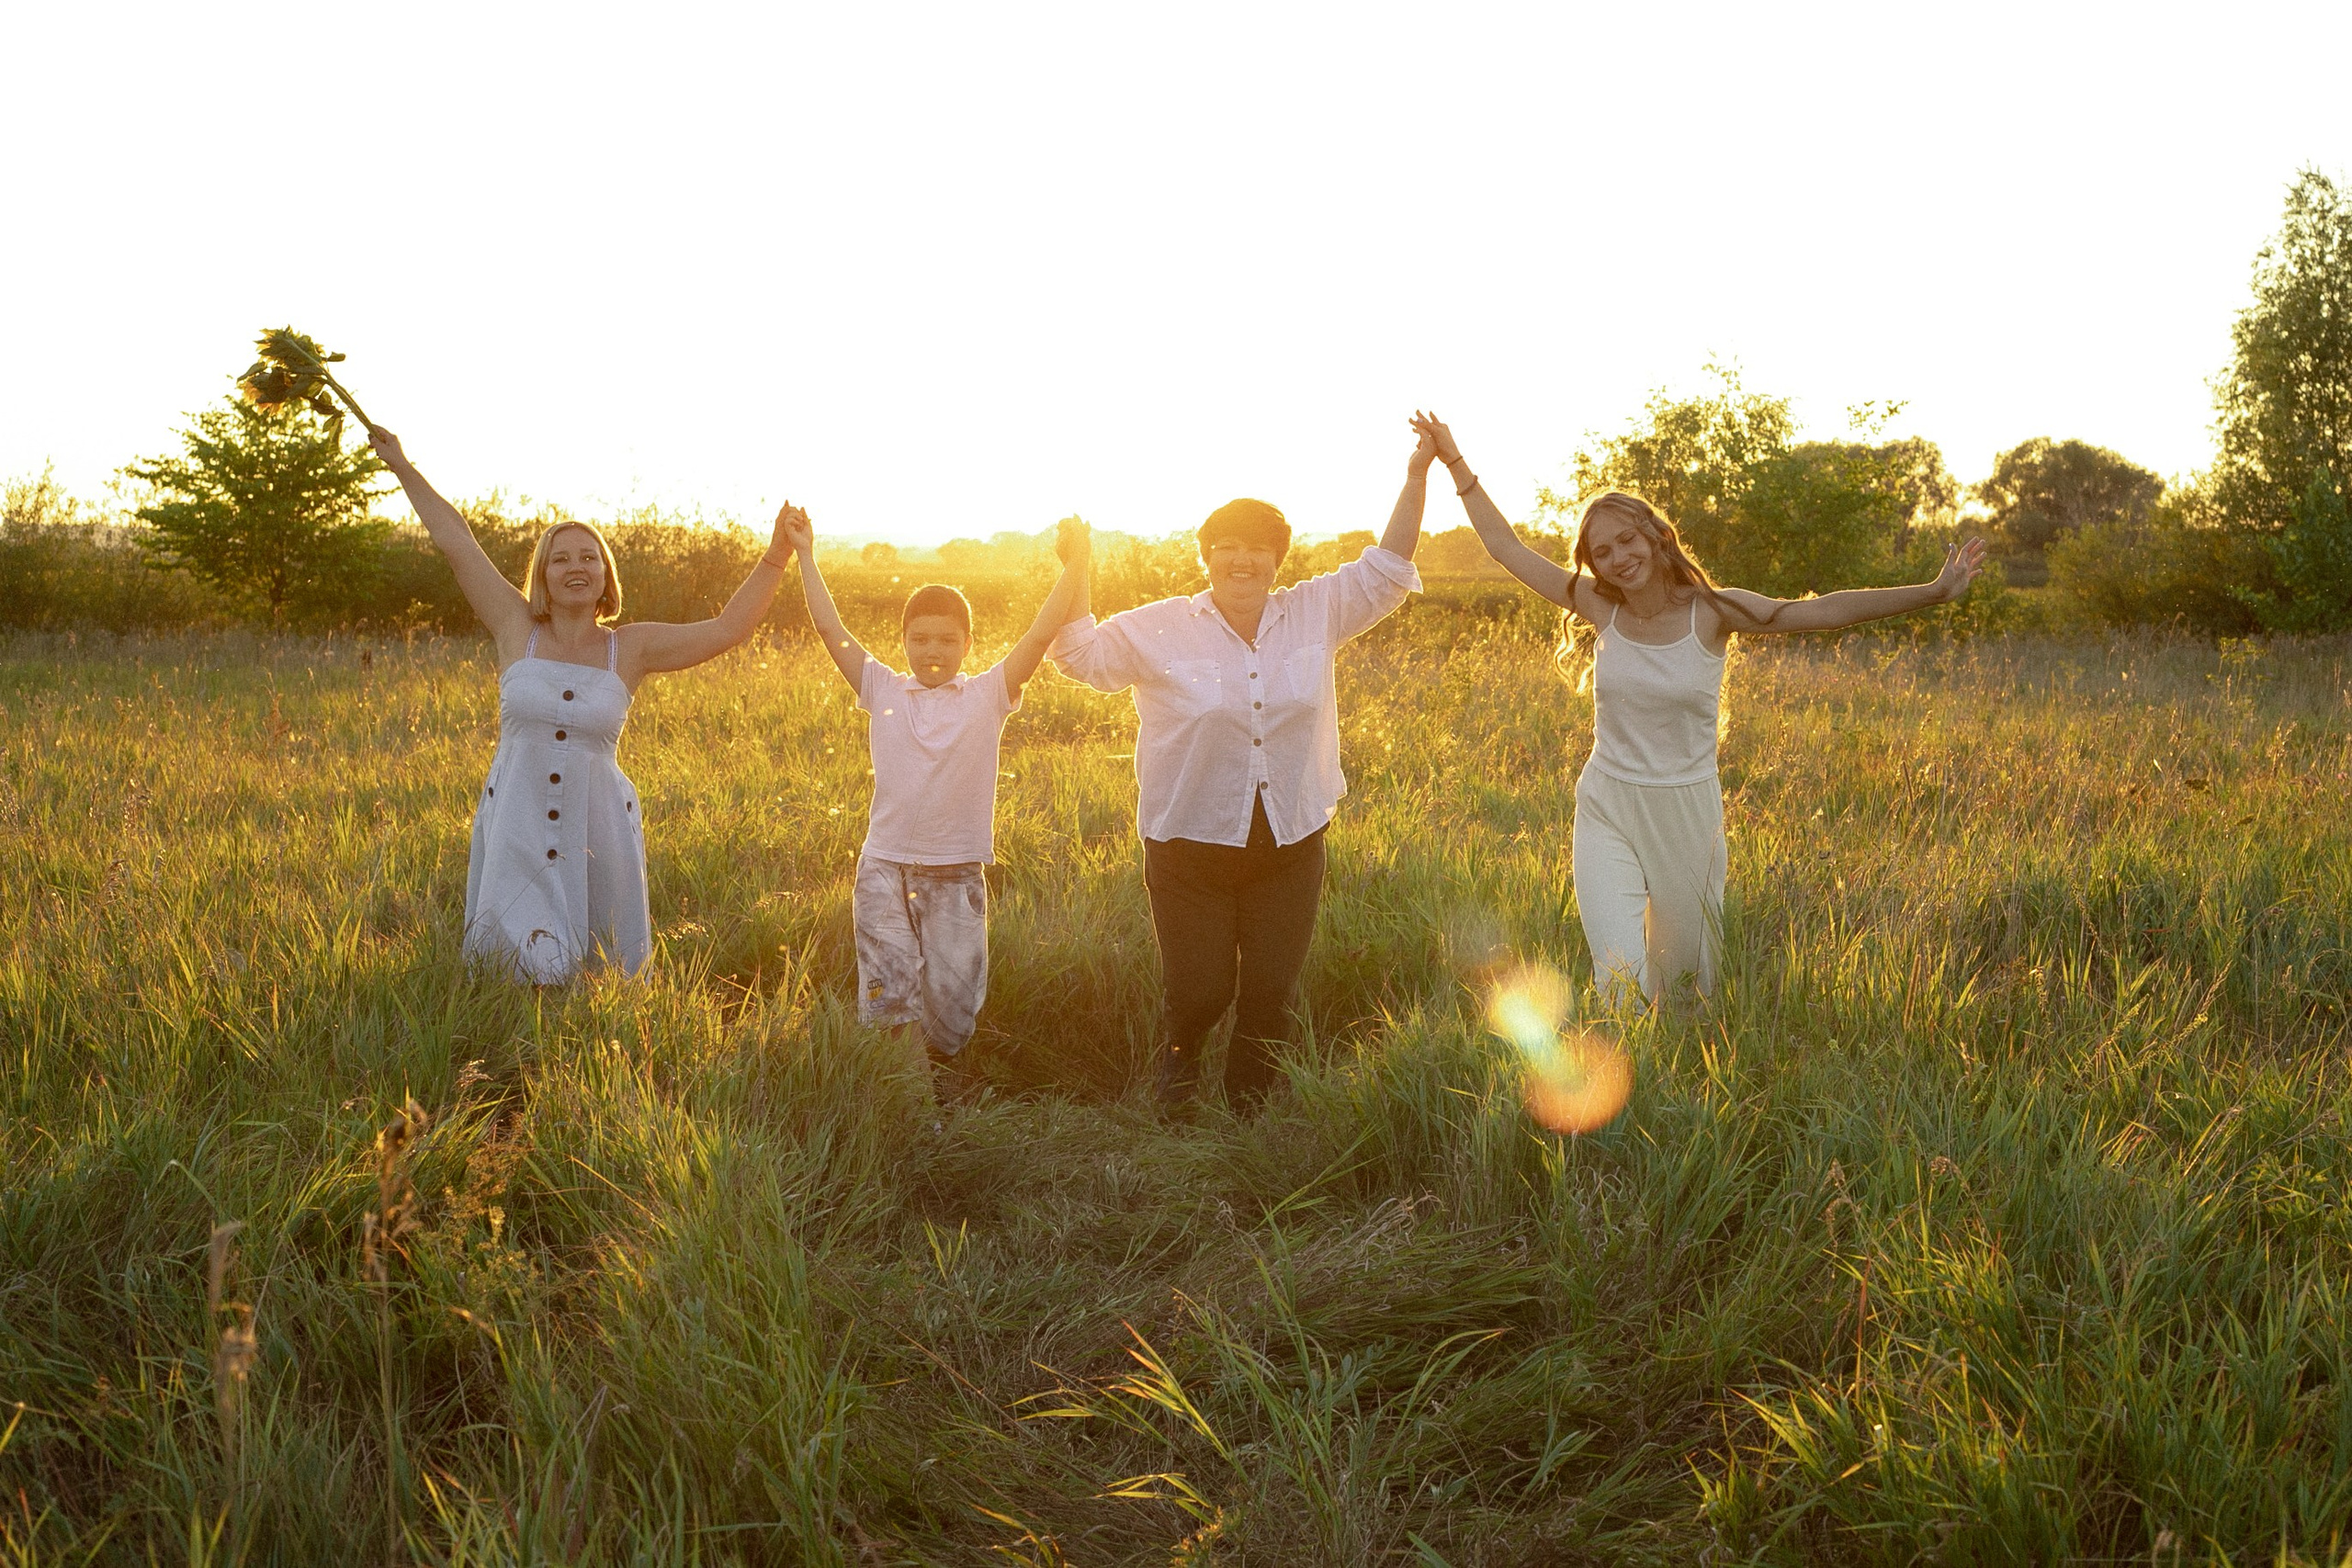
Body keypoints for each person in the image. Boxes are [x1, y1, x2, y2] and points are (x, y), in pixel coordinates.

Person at [1422, 417, 1985, 1007]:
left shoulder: (1714, 612)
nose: (1618, 558)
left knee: (1685, 990)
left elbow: (1822, 612)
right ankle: (1621, 1058)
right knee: (1618, 981)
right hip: (1607, 804)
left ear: (1656, 537)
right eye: (1602, 551)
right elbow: (1507, 549)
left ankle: (1676, 1061)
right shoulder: (1598, 606)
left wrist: (1931, 591)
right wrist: (1455, 461)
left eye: (1627, 540)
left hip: (1687, 814)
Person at [1048, 417, 1441, 1111]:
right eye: (1227, 547)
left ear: (1277, 560)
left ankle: (1248, 1109)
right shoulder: (1161, 626)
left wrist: (1416, 476)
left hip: (1289, 839)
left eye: (1258, 548)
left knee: (1269, 991)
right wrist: (1076, 567)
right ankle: (1180, 1066)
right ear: (1205, 557)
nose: (1242, 560)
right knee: (1200, 990)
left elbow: (1385, 569)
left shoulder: (1316, 611)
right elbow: (1079, 653)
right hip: (1189, 841)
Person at [369, 425, 802, 983]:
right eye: (560, 559)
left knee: (599, 970)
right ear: (543, 576)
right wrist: (402, 466)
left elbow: (727, 628)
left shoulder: (632, 648)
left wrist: (776, 556)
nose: (576, 567)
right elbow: (458, 543)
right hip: (518, 812)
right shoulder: (514, 626)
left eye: (589, 558)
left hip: (599, 822)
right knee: (510, 965)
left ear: (605, 575)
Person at [784, 512, 1091, 1095]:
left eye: (948, 640)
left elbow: (1039, 635)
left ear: (968, 644)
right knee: (892, 1000)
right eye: (920, 638)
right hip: (884, 870)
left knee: (952, 1012)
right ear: (902, 642)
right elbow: (829, 628)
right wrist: (805, 554)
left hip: (955, 874)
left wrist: (1076, 563)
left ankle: (943, 1087)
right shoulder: (880, 687)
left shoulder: (988, 694)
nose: (933, 650)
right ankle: (915, 1113)